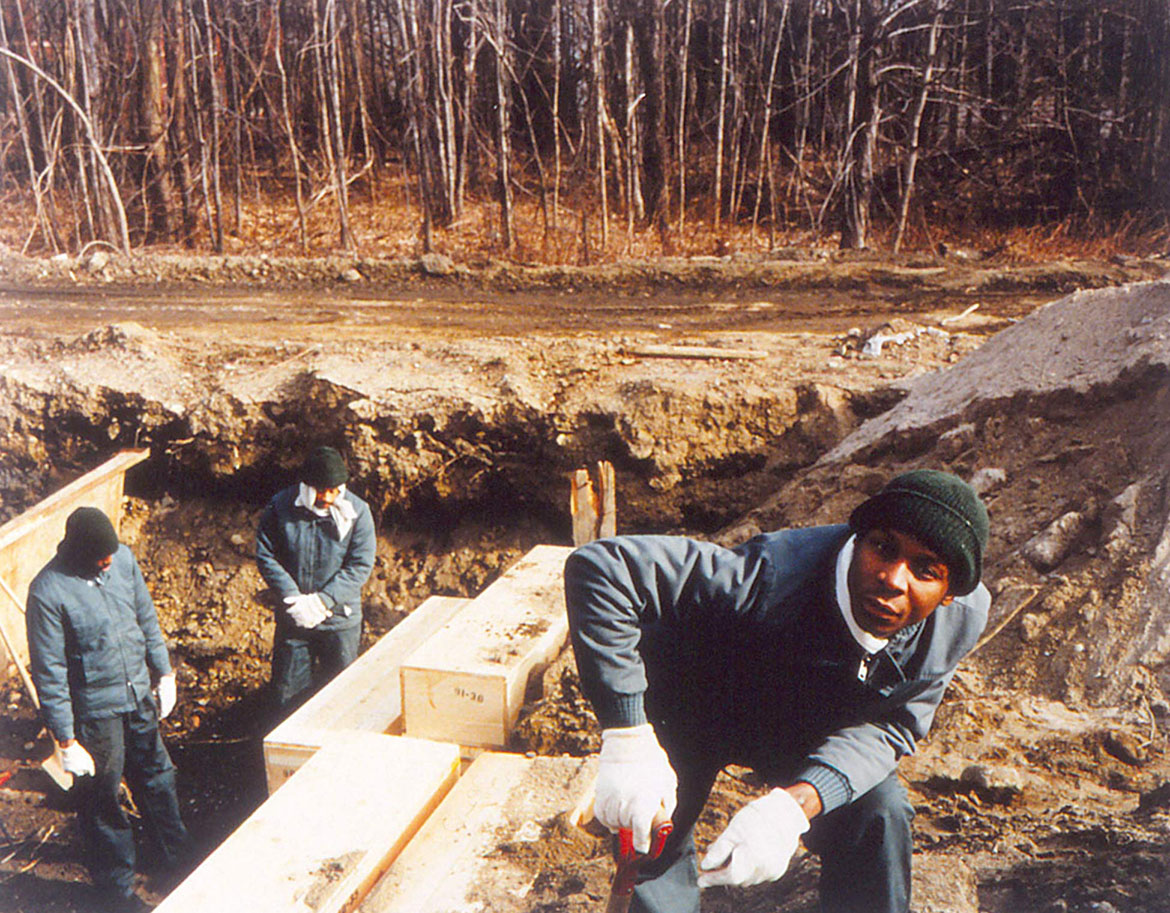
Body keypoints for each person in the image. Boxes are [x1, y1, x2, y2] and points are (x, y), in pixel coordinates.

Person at [565, 469, 991, 913]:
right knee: (655, 832)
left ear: (948, 593)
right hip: (695, 701)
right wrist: (628, 736)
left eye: (926, 570)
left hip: (806, 722)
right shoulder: (767, 575)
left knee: (879, 813)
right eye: (882, 548)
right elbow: (603, 567)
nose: (893, 578)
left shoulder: (957, 619)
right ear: (857, 539)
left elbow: (892, 725)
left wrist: (795, 806)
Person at [26, 506, 187, 911]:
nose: (109, 561)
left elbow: (146, 619)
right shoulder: (48, 591)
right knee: (103, 800)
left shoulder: (124, 560)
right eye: (101, 556)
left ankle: (178, 861)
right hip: (97, 714)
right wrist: (65, 739)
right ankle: (116, 891)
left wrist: (164, 673)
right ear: (78, 552)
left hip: (137, 696)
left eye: (112, 553)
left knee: (158, 778)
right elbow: (51, 672)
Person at [255, 446, 376, 710]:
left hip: (339, 621)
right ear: (307, 486)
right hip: (295, 620)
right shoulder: (281, 507)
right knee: (287, 697)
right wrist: (293, 599)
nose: (329, 497)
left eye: (335, 490)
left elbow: (360, 565)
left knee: (343, 695)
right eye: (322, 490)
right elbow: (266, 555)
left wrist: (323, 601)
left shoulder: (357, 512)